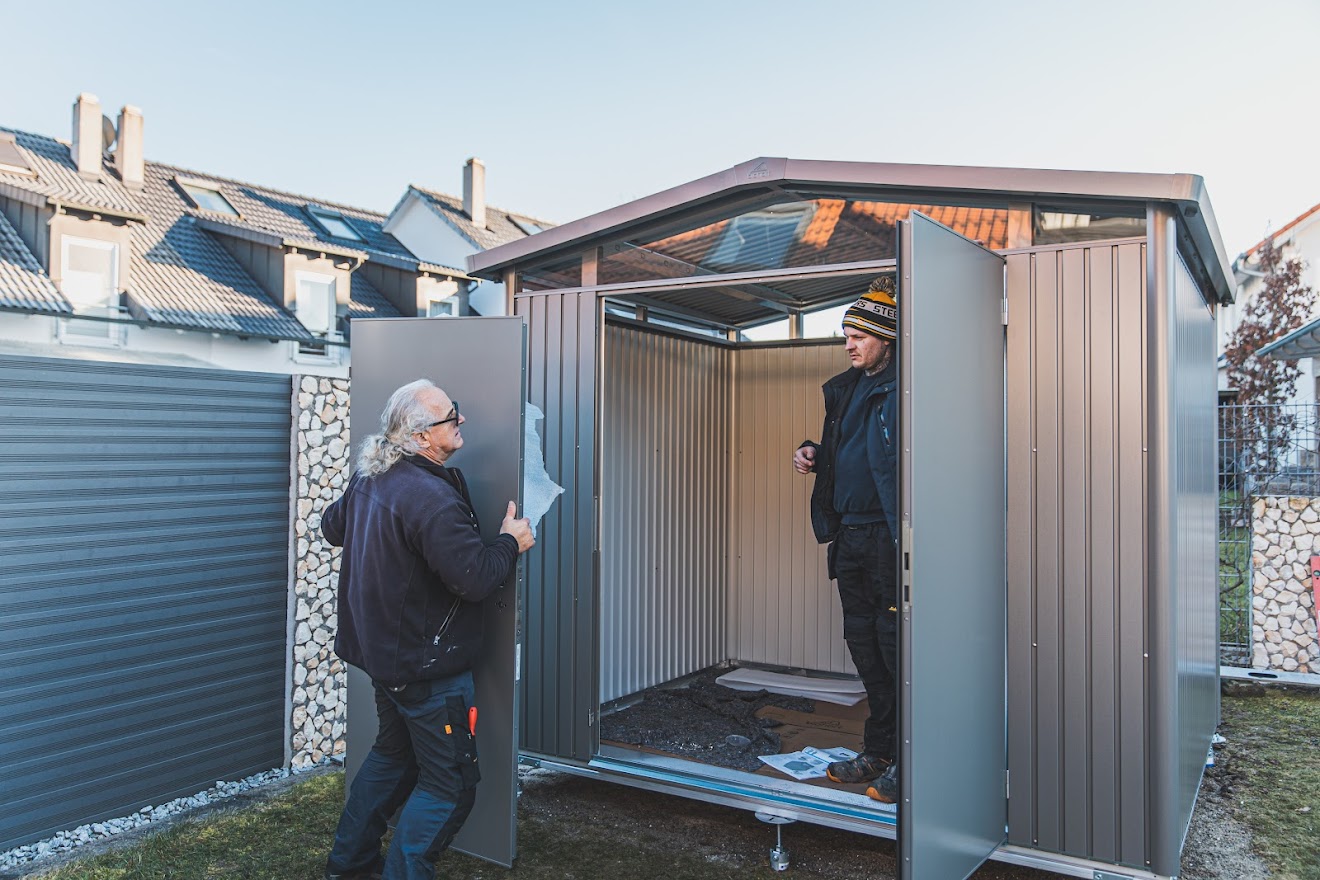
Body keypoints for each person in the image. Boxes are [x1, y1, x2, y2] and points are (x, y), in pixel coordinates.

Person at [322, 379, 534, 880]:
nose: (460, 419)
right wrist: (510, 541)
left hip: (385, 661)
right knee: (450, 784)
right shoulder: (429, 499)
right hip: (425, 670)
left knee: (393, 758)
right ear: (420, 438)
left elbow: (332, 528)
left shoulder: (374, 476)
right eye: (449, 416)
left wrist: (359, 488)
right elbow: (476, 578)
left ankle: (347, 869)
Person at [792, 275, 900, 804]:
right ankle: (879, 751)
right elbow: (848, 453)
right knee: (864, 646)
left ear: (885, 337)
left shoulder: (905, 388)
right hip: (849, 536)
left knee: (897, 647)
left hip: (888, 537)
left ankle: (911, 757)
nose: (849, 344)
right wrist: (813, 452)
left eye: (858, 335)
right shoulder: (843, 389)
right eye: (845, 336)